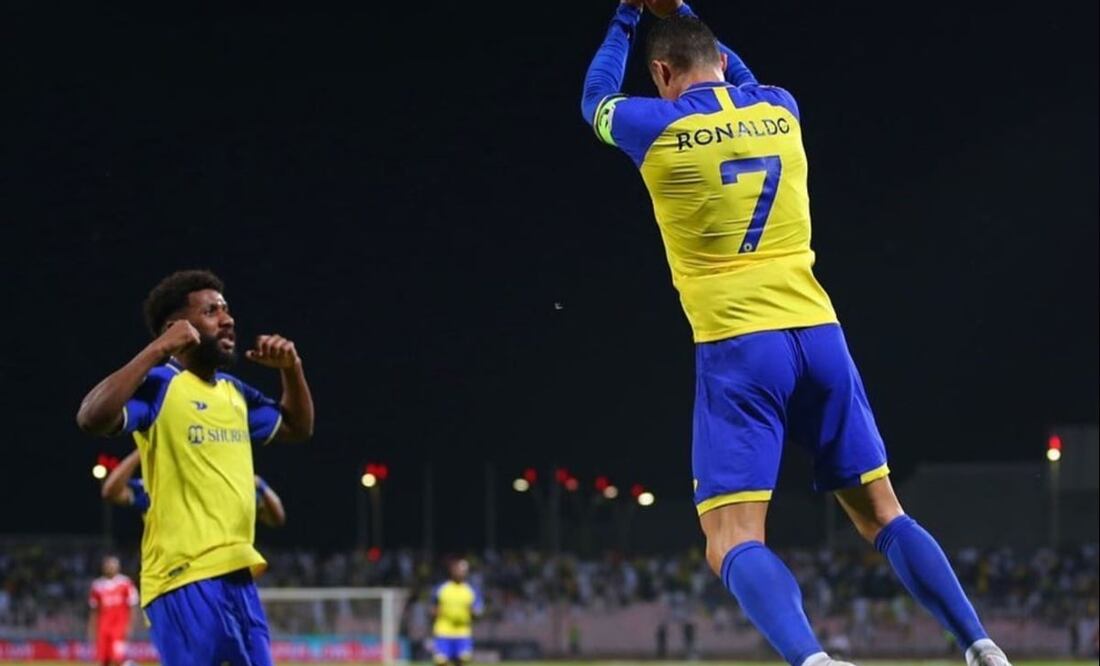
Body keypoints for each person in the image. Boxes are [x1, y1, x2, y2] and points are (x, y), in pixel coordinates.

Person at [580, 2, 1010, 665]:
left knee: (731, 537)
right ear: (722, 63)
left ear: (662, 73)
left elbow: (595, 99)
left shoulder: (655, 125)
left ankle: (811, 660)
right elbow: (741, 78)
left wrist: (628, 15)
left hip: (739, 346)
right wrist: (684, 10)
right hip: (820, 336)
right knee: (882, 512)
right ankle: (981, 645)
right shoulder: (781, 107)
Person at [76, 269, 315, 666]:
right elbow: (91, 416)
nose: (228, 319)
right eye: (211, 311)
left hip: (238, 573)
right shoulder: (159, 384)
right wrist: (157, 350)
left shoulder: (234, 392)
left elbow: (297, 427)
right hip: (183, 576)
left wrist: (292, 369)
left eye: (227, 309)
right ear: (177, 328)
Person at [101, 448, 287, 527]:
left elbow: (276, 518)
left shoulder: (222, 484)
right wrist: (142, 450)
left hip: (221, 573)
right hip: (173, 575)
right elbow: (111, 491)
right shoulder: (154, 488)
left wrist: (260, 485)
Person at [88, 555, 138, 666]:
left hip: (119, 627)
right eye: (107, 565)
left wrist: (130, 625)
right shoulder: (97, 585)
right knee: (103, 660)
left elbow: (133, 605)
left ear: (118, 567)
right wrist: (92, 629)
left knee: (117, 659)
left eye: (112, 565)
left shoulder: (125, 583)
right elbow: (94, 610)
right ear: (103, 567)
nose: (110, 567)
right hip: (103, 628)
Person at [431, 559, 483, 665]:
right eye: (458, 570)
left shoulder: (471, 590)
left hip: (462, 631)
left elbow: (478, 610)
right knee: (441, 661)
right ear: (452, 571)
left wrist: (474, 612)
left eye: (463, 571)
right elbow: (433, 606)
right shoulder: (442, 588)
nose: (460, 573)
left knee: (462, 659)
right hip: (444, 630)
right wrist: (434, 613)